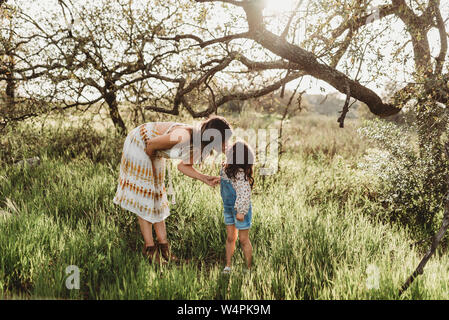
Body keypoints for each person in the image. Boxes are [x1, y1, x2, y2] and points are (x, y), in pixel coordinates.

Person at [113, 116, 233, 263]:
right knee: (147, 195)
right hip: (139, 143)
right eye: (224, 140)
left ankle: (165, 250)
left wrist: (204, 178)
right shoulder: (184, 135)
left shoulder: (200, 145)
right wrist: (150, 171)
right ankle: (150, 250)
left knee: (158, 195)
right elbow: (150, 144)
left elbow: (183, 166)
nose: (226, 144)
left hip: (152, 149)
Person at [220, 141, 254, 274]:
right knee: (230, 238)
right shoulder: (224, 169)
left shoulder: (240, 174)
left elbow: (245, 195)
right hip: (228, 208)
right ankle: (228, 266)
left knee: (243, 239)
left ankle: (248, 267)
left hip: (241, 210)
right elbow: (227, 183)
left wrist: (241, 212)